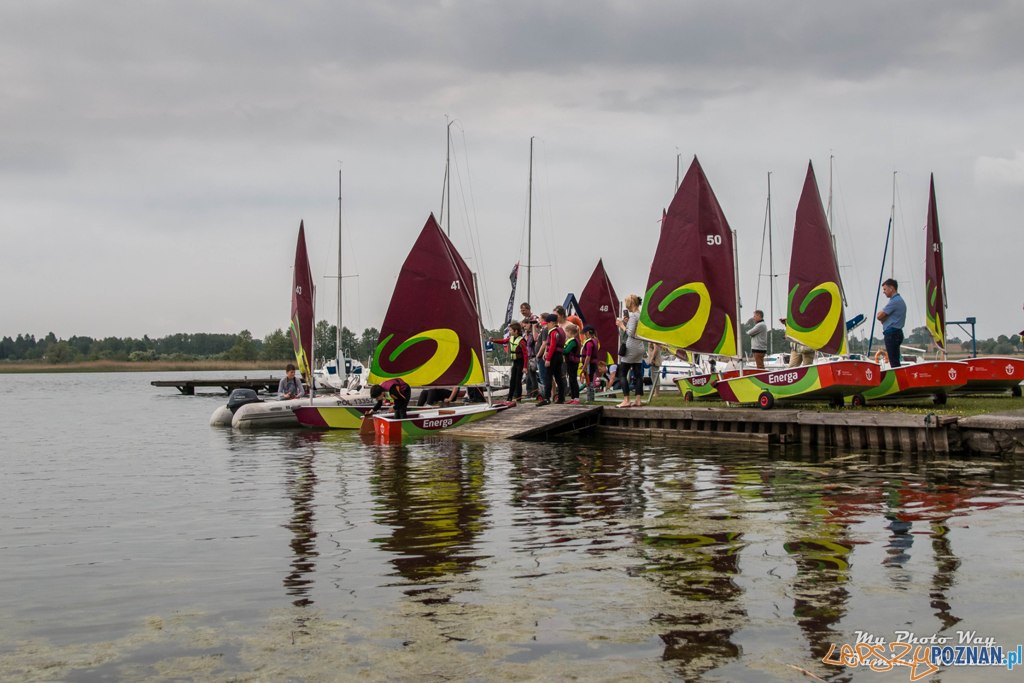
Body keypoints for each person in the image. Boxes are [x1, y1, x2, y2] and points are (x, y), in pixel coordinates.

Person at [615, 294, 645, 407]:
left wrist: (621, 325)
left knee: (622, 373)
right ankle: (638, 400)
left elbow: (630, 333)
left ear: (631, 303)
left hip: (631, 347)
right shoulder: (641, 315)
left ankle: (626, 399)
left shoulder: (633, 316)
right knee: (638, 375)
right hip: (640, 347)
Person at [491, 321, 527, 401]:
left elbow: (525, 355)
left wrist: (525, 367)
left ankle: (518, 398)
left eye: (510, 330)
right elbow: (503, 341)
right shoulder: (511, 338)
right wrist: (494, 340)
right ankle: (509, 397)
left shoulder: (521, 341)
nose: (509, 332)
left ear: (516, 331)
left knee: (518, 380)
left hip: (520, 362)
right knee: (512, 380)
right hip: (515, 362)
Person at [877, 277, 907, 368]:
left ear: (892, 288)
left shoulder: (895, 301)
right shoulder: (897, 301)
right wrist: (884, 317)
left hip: (892, 333)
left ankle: (897, 378)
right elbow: (882, 316)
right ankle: (898, 376)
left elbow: (879, 316)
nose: (884, 291)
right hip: (895, 332)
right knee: (895, 359)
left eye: (885, 289)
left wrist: (883, 317)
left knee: (894, 361)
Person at [537, 313, 566, 406]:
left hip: (553, 357)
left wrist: (548, 359)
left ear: (553, 323)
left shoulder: (553, 332)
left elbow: (552, 345)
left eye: (548, 323)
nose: (547, 325)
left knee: (548, 377)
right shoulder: (561, 330)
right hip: (559, 356)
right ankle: (561, 398)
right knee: (558, 377)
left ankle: (547, 398)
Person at [563, 322, 582, 404]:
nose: (565, 334)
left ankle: (576, 398)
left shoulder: (573, 341)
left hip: (573, 362)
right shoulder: (570, 340)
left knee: (573, 380)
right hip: (570, 362)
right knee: (571, 379)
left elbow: (567, 351)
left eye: (566, 332)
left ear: (570, 332)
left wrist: (559, 349)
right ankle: (572, 397)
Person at [580, 325, 600, 403]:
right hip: (592, 363)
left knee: (589, 381)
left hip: (589, 364)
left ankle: (590, 398)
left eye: (584, 334)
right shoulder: (595, 340)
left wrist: (584, 367)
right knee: (590, 380)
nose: (584, 336)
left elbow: (588, 356)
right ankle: (591, 397)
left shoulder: (589, 343)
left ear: (588, 333)